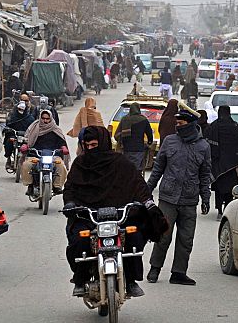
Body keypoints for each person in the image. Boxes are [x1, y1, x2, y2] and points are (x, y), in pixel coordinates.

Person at [63, 126, 167, 298]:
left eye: (94, 144)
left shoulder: (120, 162)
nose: (91, 149)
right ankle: (80, 279)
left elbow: (137, 184)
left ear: (103, 142)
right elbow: (70, 188)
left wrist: (147, 203)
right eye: (87, 145)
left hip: (119, 216)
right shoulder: (81, 163)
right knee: (79, 240)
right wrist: (70, 203)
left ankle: (131, 280)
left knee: (134, 237)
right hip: (89, 215)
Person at [146, 110, 212, 286]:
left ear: (190, 125)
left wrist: (206, 198)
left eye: (181, 124)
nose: (177, 127)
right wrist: (146, 191)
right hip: (168, 198)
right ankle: (155, 268)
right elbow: (157, 169)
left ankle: (179, 272)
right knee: (163, 235)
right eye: (177, 124)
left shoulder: (203, 147)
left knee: (186, 239)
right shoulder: (169, 142)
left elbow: (205, 175)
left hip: (190, 200)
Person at [205, 106, 238, 220]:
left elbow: (207, 141)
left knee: (219, 188)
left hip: (217, 162)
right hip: (231, 163)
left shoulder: (214, 125)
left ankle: (219, 210)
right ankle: (227, 210)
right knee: (230, 188)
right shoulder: (234, 126)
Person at [21, 110, 69, 193]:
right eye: (43, 118)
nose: (45, 121)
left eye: (47, 119)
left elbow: (61, 141)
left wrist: (63, 147)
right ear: (40, 118)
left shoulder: (56, 129)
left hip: (53, 155)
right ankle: (30, 185)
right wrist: (25, 145)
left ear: (51, 118)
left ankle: (57, 186)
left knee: (61, 166)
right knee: (26, 165)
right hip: (35, 154)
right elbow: (27, 139)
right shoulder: (34, 127)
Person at [114, 102, 153, 172]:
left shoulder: (124, 119)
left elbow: (116, 135)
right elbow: (149, 134)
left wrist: (121, 141)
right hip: (139, 149)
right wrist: (149, 143)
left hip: (126, 149)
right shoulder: (143, 119)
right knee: (136, 170)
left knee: (127, 169)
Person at [3, 102, 35, 169]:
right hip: (14, 135)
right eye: (20, 109)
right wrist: (8, 129)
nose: (21, 111)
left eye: (23, 109)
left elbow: (33, 127)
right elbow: (8, 125)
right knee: (9, 142)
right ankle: (8, 158)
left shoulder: (30, 118)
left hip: (25, 136)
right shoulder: (12, 116)